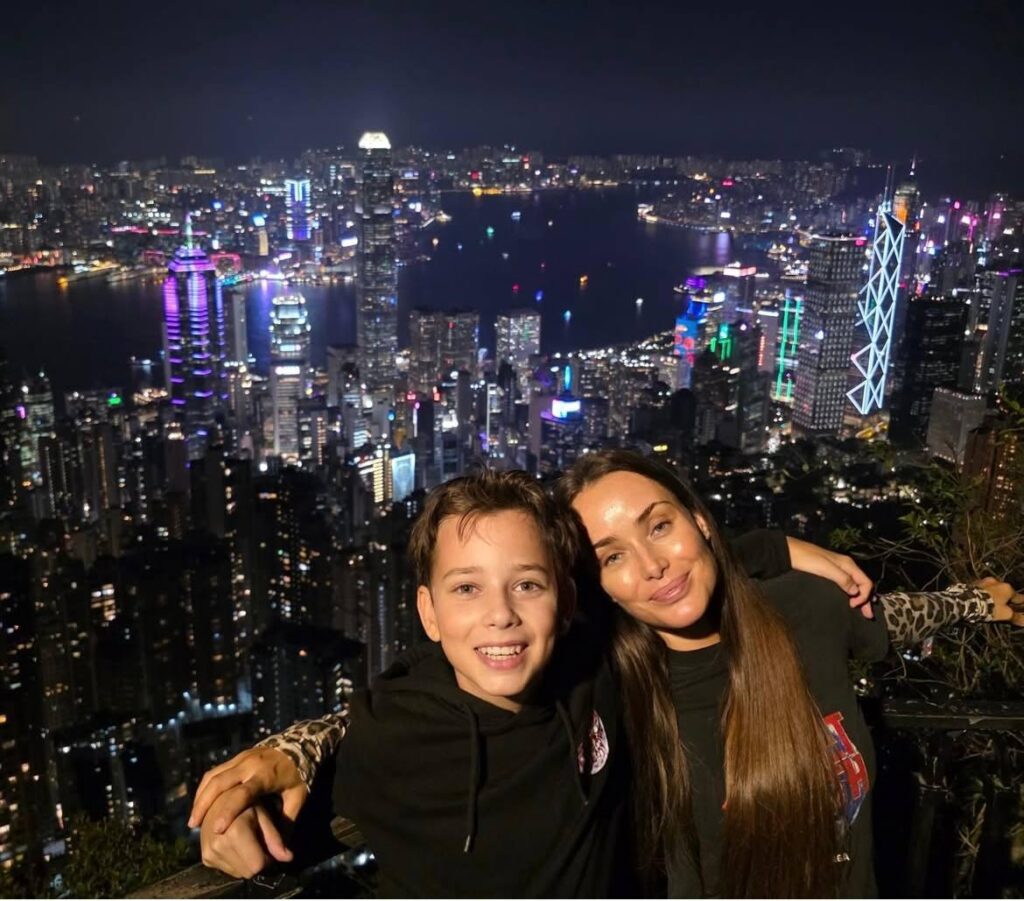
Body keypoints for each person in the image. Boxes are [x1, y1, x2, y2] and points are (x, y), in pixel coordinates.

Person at [192, 456, 1021, 896]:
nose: (652, 566)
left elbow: (884, 619)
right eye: (612, 557)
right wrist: (288, 752)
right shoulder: (610, 677)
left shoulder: (799, 611)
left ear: (701, 522)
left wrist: (975, 602)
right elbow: (414, 702)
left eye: (661, 526)